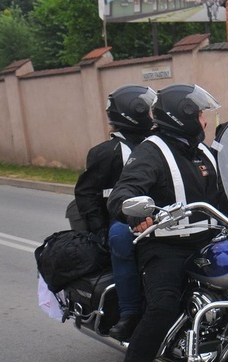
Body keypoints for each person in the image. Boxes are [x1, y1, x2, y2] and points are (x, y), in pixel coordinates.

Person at [106, 84, 228, 362]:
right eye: (200, 114)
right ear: (183, 117)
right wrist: (134, 211)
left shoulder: (201, 152)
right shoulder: (152, 152)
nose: (205, 120)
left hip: (210, 241)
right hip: (166, 246)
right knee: (160, 310)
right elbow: (123, 192)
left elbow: (227, 194)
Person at [73, 84, 156, 341]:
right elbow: (87, 194)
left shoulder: (159, 144)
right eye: (148, 111)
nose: (153, 116)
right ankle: (129, 313)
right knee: (120, 238)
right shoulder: (105, 153)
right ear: (136, 112)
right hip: (123, 222)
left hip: (161, 217)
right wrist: (100, 231)